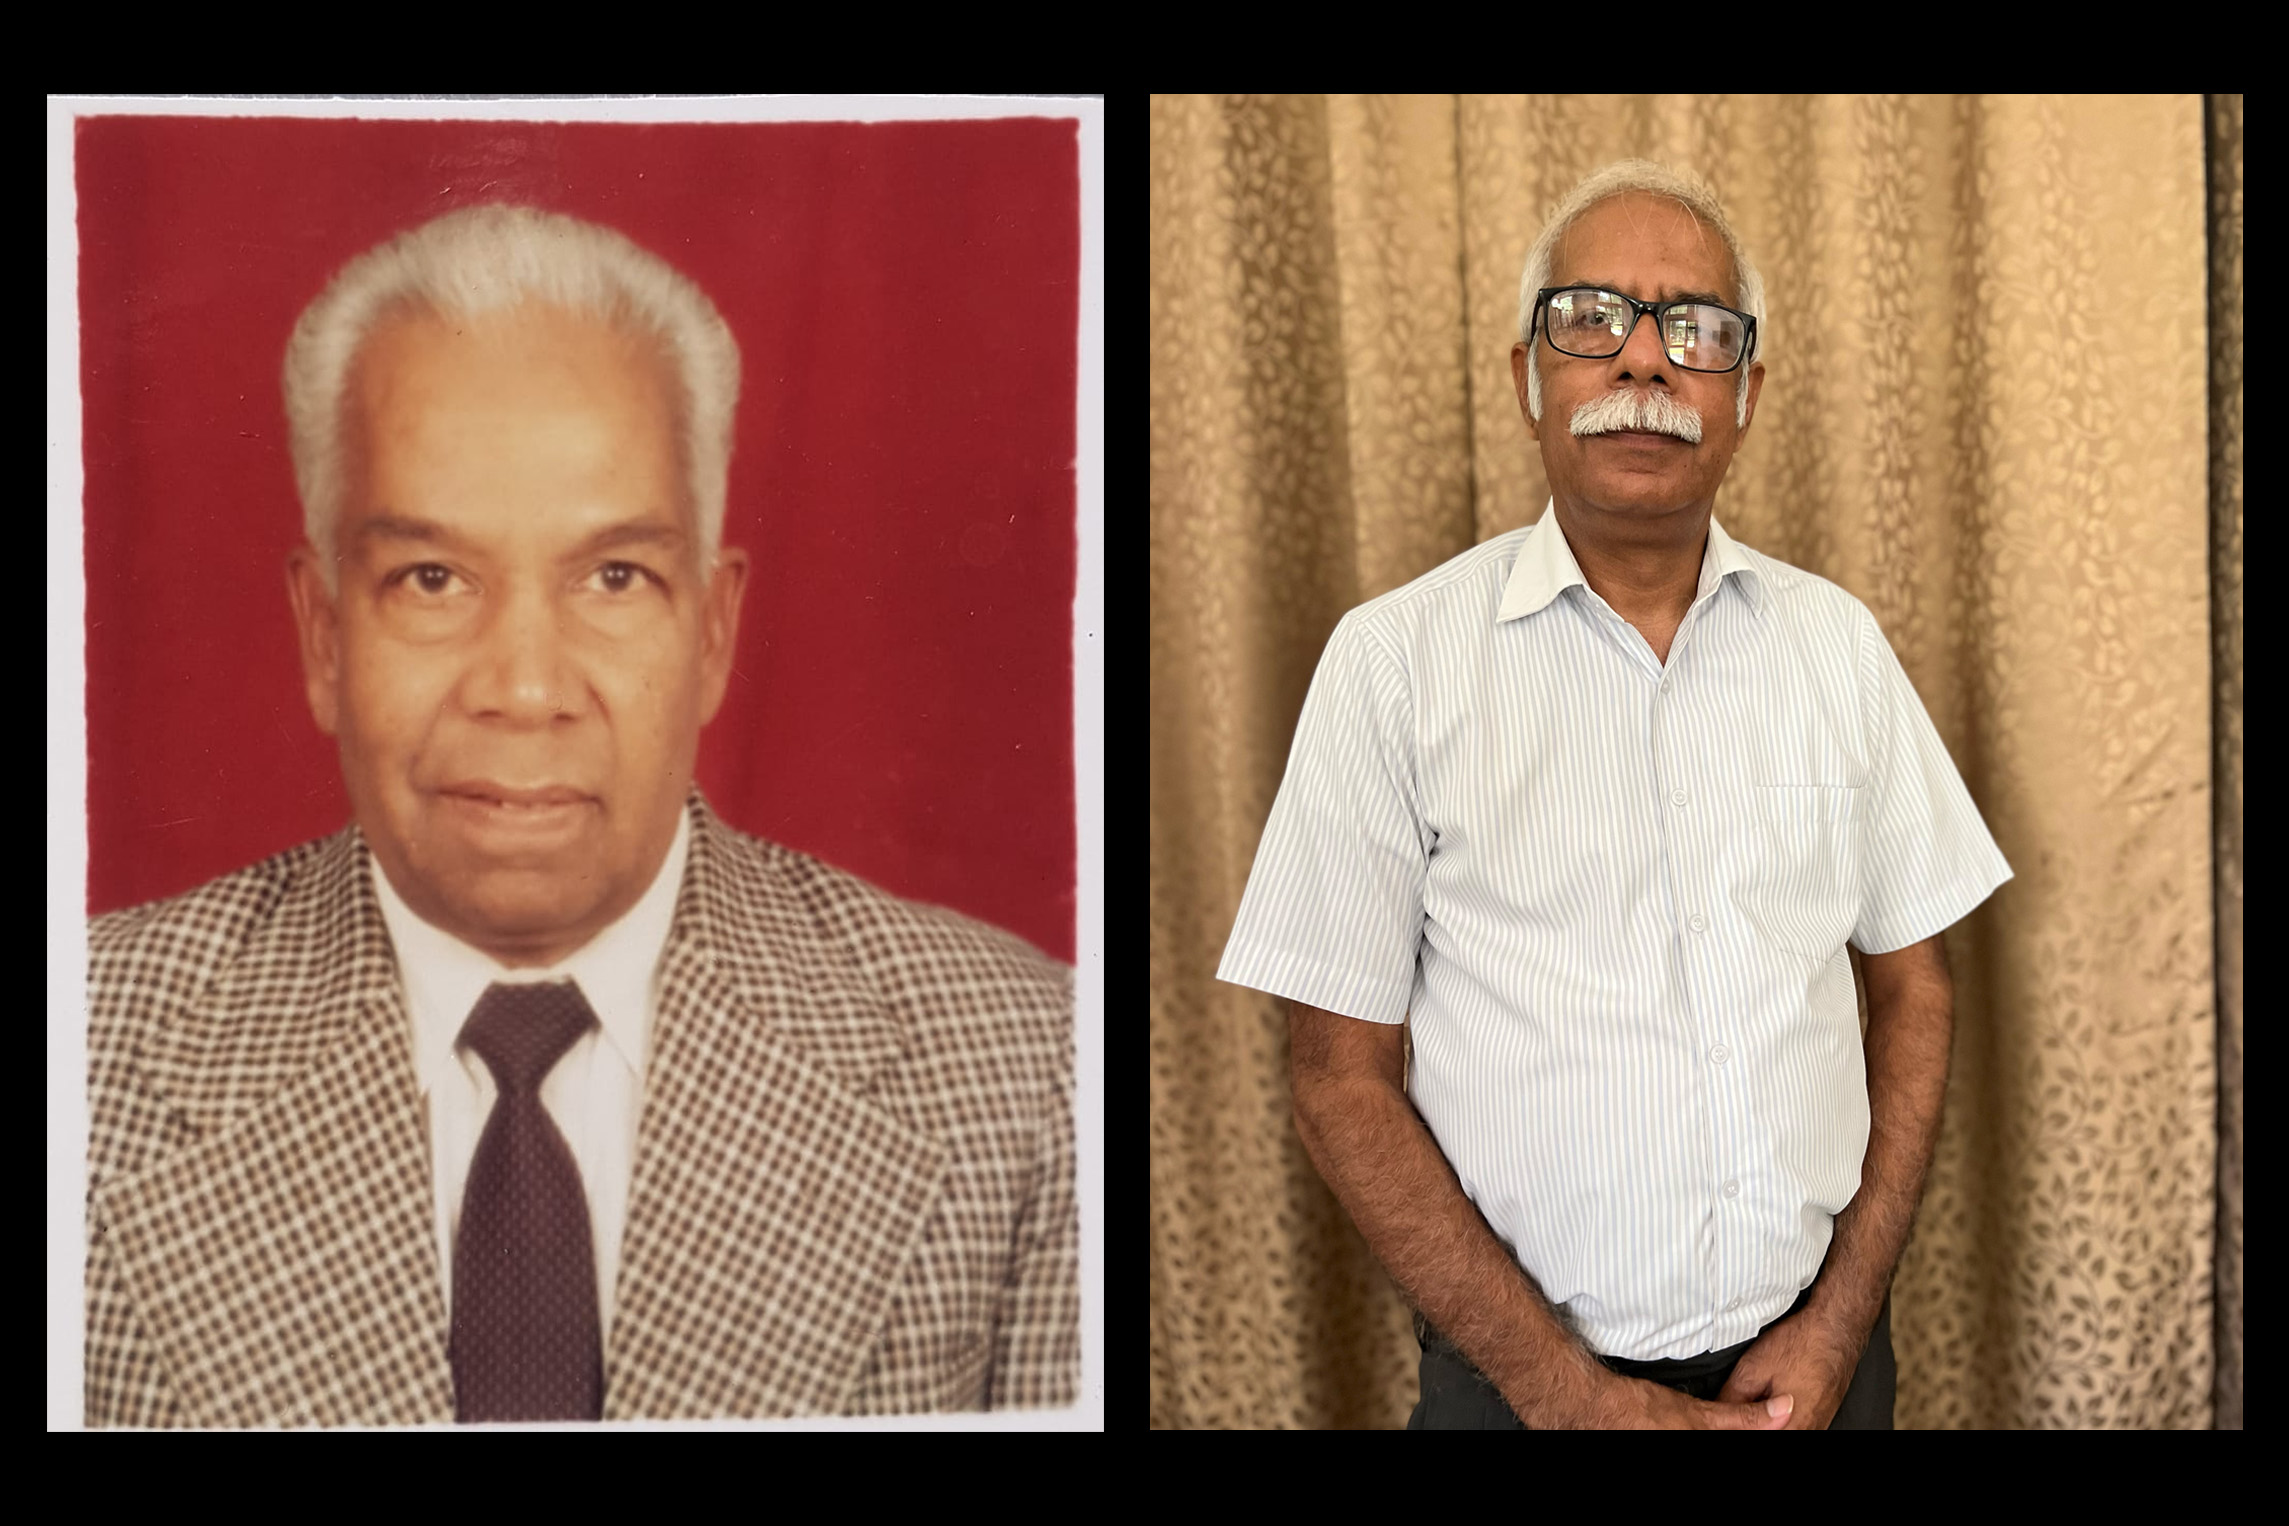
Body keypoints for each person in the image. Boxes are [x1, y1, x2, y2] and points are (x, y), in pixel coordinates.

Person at [83, 204, 1077, 1426]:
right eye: (432, 579)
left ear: (710, 632)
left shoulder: (1028, 1075)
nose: (526, 687)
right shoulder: (80, 1064)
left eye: (614, 577)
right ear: (324, 634)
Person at [1217, 160, 2011, 1429]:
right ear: (1528, 375)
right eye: (1592, 318)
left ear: (1744, 393)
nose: (1645, 363)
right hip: (1515, 1391)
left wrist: (1843, 1316)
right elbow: (1337, 1080)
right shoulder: (1392, 663)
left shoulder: (1836, 644)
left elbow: (1914, 985)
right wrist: (1568, 1394)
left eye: (1695, 329)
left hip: (1818, 1376)